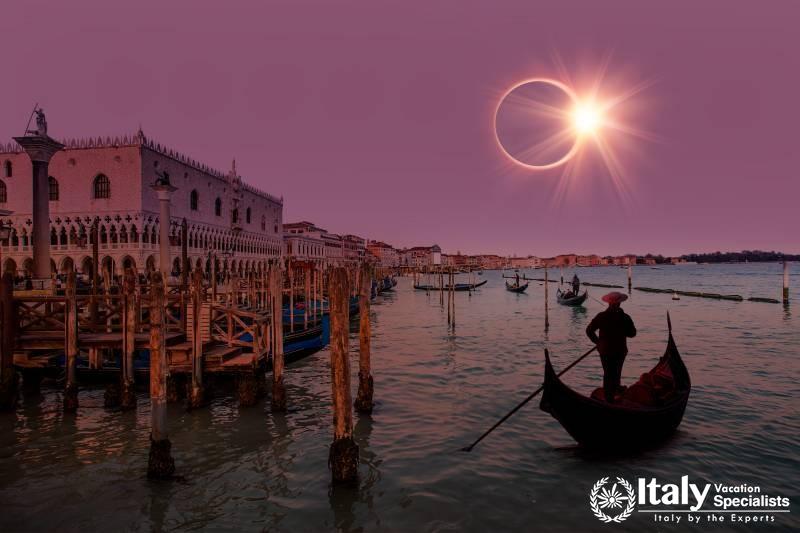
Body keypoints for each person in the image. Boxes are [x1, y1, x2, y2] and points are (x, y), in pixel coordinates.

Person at [585, 291, 637, 403]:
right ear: (619, 304)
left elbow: (589, 331)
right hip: (619, 350)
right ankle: (611, 397)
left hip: (605, 350)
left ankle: (610, 396)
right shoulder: (625, 317)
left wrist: (598, 342)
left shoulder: (601, 316)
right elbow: (632, 333)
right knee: (616, 373)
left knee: (608, 373)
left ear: (609, 303)